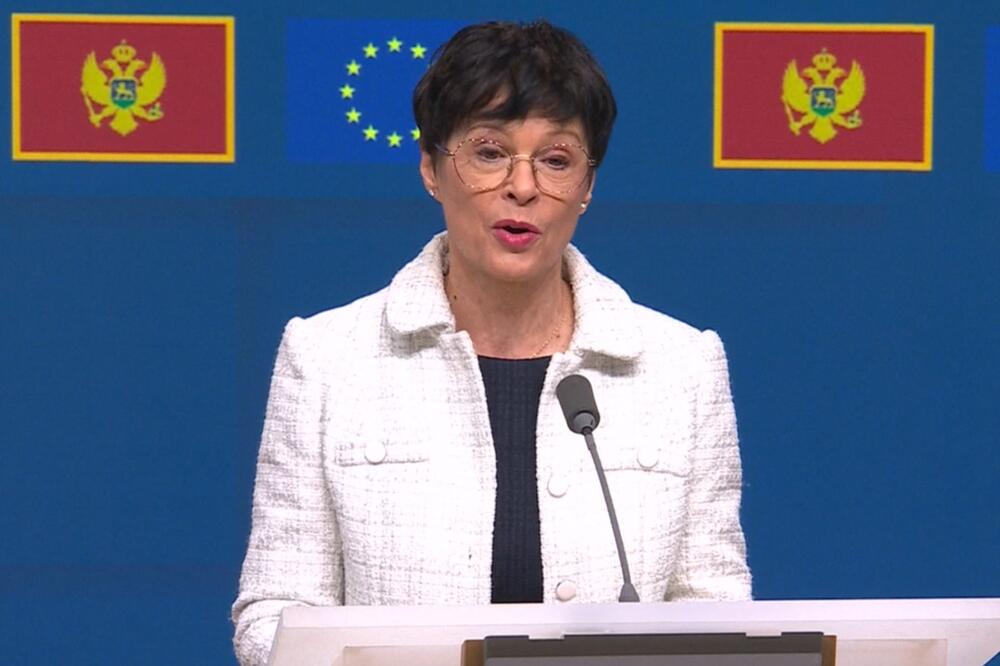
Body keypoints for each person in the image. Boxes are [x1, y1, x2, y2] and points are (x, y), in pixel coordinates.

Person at [232, 19, 751, 665]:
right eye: (489, 152)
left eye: (556, 160)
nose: (523, 187)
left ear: (587, 186)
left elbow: (714, 610)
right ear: (431, 167)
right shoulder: (327, 359)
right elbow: (275, 614)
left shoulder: (681, 369)